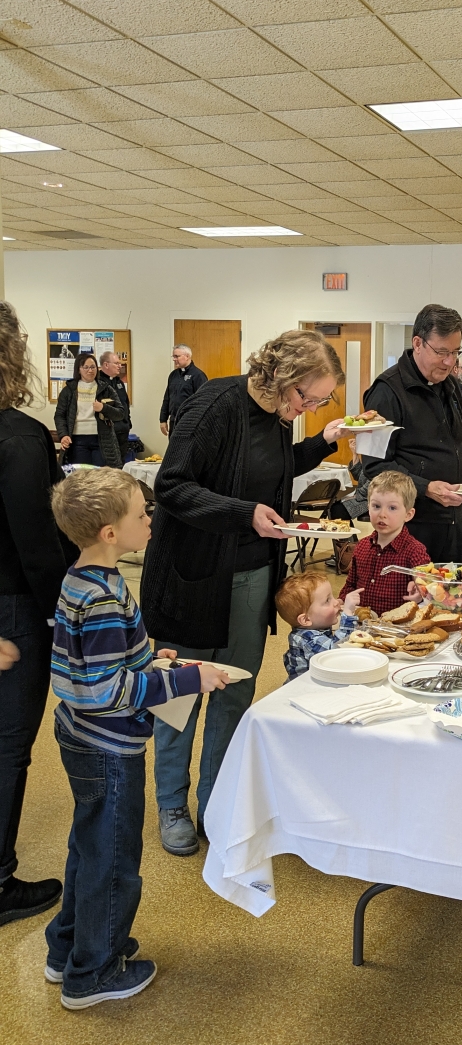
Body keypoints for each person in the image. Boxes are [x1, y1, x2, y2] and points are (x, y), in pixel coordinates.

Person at [141, 329, 353, 856]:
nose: (309, 406)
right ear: (283, 378)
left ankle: (218, 803)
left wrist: (320, 442)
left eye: (319, 400)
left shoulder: (280, 418)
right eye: (310, 396)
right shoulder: (214, 404)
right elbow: (171, 485)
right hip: (193, 577)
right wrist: (243, 514)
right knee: (181, 695)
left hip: (252, 574)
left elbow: (270, 473)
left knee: (235, 691)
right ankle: (172, 804)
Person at [45, 469, 227, 1008]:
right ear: (109, 533)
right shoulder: (103, 595)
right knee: (114, 858)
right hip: (107, 746)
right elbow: (106, 688)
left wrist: (153, 659)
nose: (151, 521)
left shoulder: (86, 577)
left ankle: (68, 948)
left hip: (82, 735)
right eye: (141, 515)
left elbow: (104, 660)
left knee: (89, 844)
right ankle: (93, 973)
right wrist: (189, 679)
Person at [0, 302, 76, 929]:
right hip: (12, 612)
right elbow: (36, 542)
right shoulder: (18, 436)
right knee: (6, 747)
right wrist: (64, 615)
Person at [360, 304, 462, 563]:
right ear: (418, 343)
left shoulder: (451, 386)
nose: (450, 362)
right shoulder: (386, 392)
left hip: (453, 519)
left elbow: (450, 444)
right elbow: (374, 466)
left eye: (455, 352)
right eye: (441, 352)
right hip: (411, 524)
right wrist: (426, 488)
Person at [338, 471, 430, 615]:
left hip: (396, 629)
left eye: (392, 508)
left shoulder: (415, 551)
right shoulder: (361, 546)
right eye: (376, 506)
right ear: (368, 507)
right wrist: (342, 601)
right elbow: (351, 585)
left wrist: (420, 594)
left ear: (408, 514)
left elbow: (427, 590)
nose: (382, 514)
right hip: (362, 625)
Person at [277, 573, 362, 682]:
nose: (336, 602)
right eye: (327, 600)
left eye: (332, 597)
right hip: (307, 692)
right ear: (306, 620)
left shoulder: (317, 626)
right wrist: (348, 614)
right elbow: (337, 654)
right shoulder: (307, 638)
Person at [55, 352, 125, 467]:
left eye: (93, 367)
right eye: (85, 367)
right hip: (77, 440)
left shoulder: (106, 389)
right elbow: (59, 415)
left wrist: (104, 408)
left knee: (100, 477)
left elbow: (120, 413)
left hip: (101, 440)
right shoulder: (69, 390)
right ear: (79, 369)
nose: (90, 370)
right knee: (81, 477)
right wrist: (63, 435)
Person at [159, 345, 206, 437]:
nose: (174, 359)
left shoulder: (198, 375)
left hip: (189, 422)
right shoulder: (173, 375)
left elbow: (203, 401)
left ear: (187, 356)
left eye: (177, 356)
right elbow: (167, 399)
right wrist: (163, 420)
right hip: (174, 420)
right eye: (173, 356)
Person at [98, 351, 131, 463]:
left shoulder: (119, 382)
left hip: (123, 430)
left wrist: (128, 423)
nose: (120, 366)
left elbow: (125, 403)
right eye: (116, 363)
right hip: (108, 431)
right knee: (109, 465)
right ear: (106, 365)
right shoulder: (98, 383)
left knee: (121, 464)